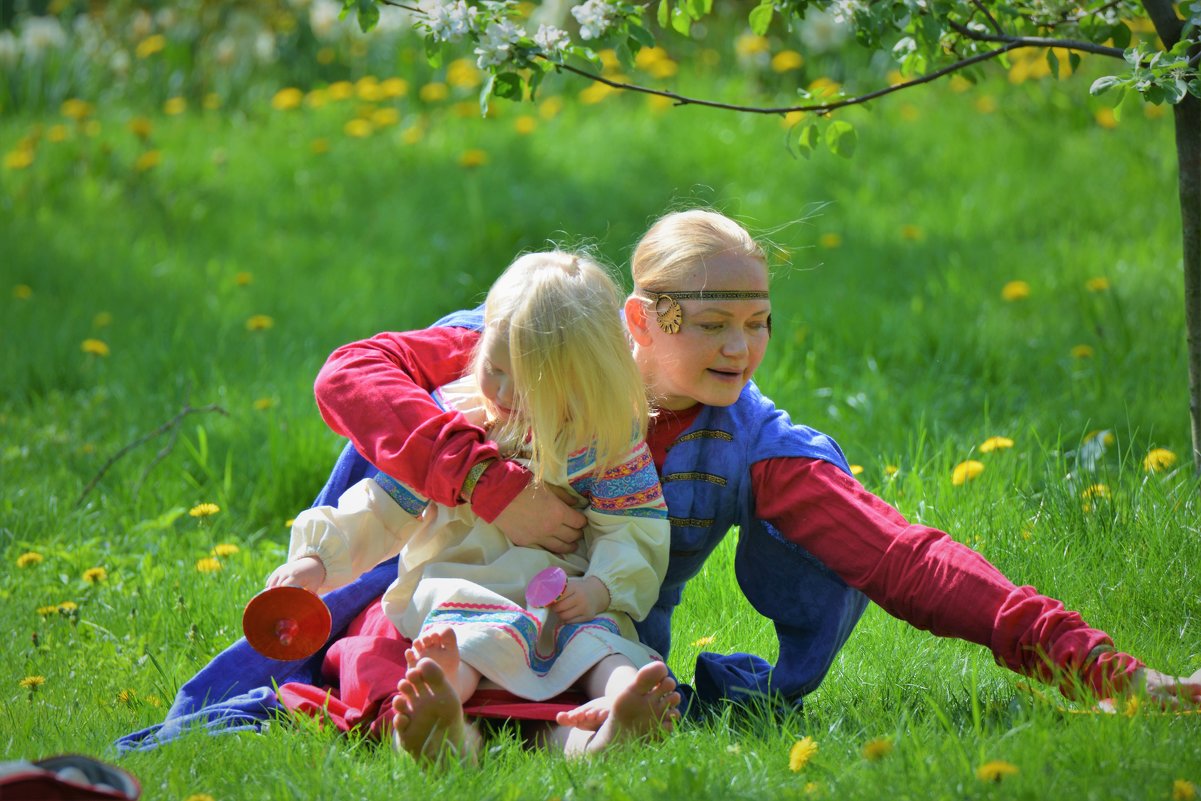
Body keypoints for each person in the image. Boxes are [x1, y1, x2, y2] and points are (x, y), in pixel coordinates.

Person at [311, 208, 1201, 712]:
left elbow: (903, 556)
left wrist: (1103, 669)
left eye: (757, 320)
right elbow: (353, 371)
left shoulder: (750, 443)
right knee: (404, 646)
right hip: (434, 600)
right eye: (711, 322)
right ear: (636, 320)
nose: (743, 347)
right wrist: (491, 484)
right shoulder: (534, 337)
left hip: (592, 648)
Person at [267, 251, 680, 764]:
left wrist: (600, 587)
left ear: (581, 384)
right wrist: (318, 561)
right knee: (454, 647)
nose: (504, 392)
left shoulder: (604, 446)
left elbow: (634, 528)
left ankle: (613, 715)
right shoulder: (458, 429)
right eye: (494, 368)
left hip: (556, 605)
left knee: (599, 647)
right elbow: (382, 508)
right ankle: (443, 726)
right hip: (460, 588)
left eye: (529, 385)